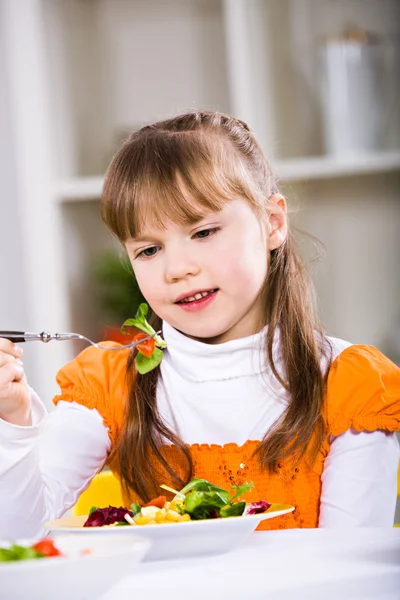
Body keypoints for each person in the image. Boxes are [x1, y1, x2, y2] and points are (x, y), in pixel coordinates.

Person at [0, 110, 399, 539]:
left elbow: (348, 567)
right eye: (149, 250)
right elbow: (17, 533)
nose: (177, 268)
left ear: (273, 224)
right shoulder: (108, 384)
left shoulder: (350, 385)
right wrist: (13, 418)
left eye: (204, 232)